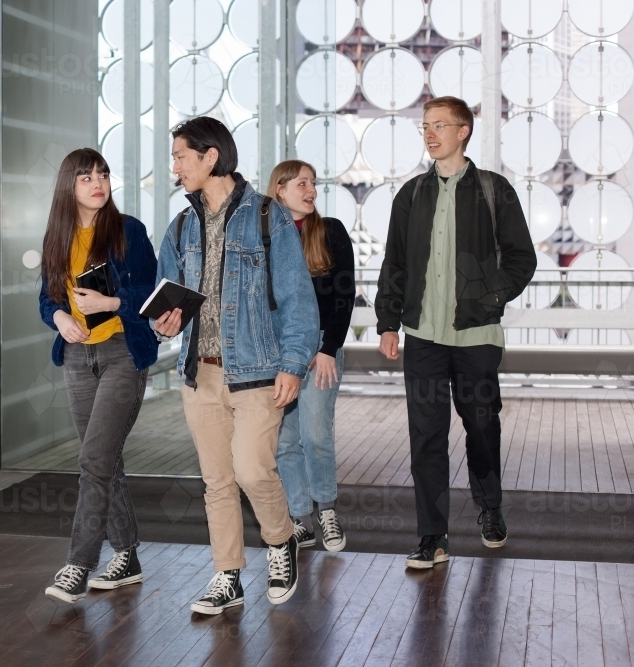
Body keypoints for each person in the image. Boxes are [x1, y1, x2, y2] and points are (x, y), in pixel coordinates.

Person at [153, 117, 320, 614]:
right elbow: (165, 295)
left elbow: (298, 301)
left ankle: (280, 538)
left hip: (257, 371)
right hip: (198, 373)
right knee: (217, 481)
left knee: (252, 468)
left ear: (210, 157)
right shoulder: (181, 225)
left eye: (181, 155)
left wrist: (293, 364)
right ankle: (227, 575)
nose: (175, 166)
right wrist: (163, 321)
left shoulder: (268, 217)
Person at [374, 96, 537, 569]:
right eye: (424, 125)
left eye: (439, 125)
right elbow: (395, 263)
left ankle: (489, 508)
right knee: (426, 435)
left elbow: (522, 258)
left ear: (463, 131)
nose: (429, 133)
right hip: (423, 335)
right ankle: (433, 535)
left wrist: (490, 296)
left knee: (482, 425)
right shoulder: (411, 195)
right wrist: (388, 322)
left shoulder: (494, 190)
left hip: (477, 335)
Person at [38, 148, 159, 602]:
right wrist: (59, 319)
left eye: (103, 174)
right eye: (86, 176)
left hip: (121, 354)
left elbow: (149, 291)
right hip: (76, 358)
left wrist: (108, 304)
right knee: (104, 459)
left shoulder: (128, 230)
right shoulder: (58, 235)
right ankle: (126, 555)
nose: (97, 183)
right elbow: (47, 298)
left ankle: (78, 563)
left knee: (93, 460)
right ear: (69, 185)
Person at [267, 160, 355, 553]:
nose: (312, 190)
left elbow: (344, 294)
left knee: (316, 434)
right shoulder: (266, 236)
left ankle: (326, 510)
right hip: (278, 350)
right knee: (285, 440)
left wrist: (327, 349)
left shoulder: (330, 231)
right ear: (280, 190)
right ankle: (299, 518)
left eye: (314, 183)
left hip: (320, 348)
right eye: (302, 183)